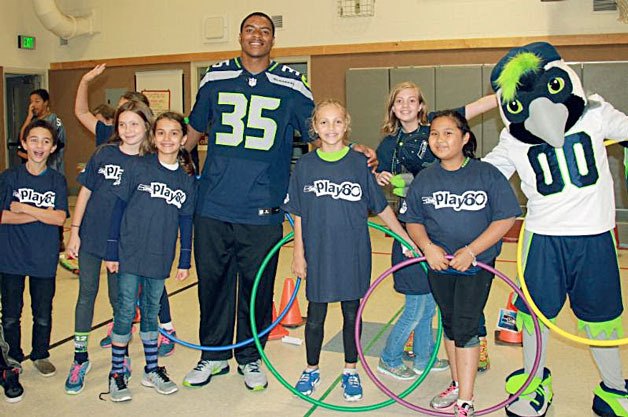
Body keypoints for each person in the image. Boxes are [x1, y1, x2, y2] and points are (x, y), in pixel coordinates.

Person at [183, 11, 375, 392]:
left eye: (265, 31)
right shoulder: (215, 76)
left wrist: (353, 151)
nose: (257, 36)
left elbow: (322, 132)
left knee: (258, 285)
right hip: (214, 203)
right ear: (240, 36)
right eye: (251, 30)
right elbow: (192, 132)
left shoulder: (292, 83)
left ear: (273, 40)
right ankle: (213, 355)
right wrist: (161, 163)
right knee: (213, 284)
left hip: (263, 204)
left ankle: (250, 357)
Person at [484, 42, 628, 417]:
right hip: (543, 239)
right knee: (536, 316)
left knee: (602, 319)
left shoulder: (595, 112)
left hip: (595, 237)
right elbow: (484, 178)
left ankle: (614, 388)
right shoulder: (510, 139)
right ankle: (534, 384)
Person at [283, 99, 418, 401]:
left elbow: (380, 206)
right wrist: (298, 253)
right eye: (324, 122)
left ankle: (350, 370)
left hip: (353, 251)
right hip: (318, 253)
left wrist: (405, 237)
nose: (331, 128)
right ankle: (311, 368)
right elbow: (299, 214)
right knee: (315, 315)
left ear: (347, 125)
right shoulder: (305, 166)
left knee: (351, 313)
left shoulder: (358, 163)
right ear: (314, 127)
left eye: (337, 122)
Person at [402, 111, 520, 417]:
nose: (440, 140)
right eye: (434, 134)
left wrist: (472, 250)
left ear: (465, 138)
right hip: (439, 265)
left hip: (476, 265)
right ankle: (457, 383)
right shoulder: (425, 179)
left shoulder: (486, 174)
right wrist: (427, 247)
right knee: (451, 323)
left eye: (448, 133)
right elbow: (413, 219)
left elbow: (506, 216)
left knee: (466, 325)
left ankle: (465, 399)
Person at [376, 82, 498, 379]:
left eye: (412, 100)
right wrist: (381, 176)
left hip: (447, 224)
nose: (405, 106)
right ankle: (397, 356)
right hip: (416, 227)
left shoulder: (438, 126)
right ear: (392, 108)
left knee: (444, 297)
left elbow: (476, 107)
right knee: (421, 303)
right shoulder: (388, 145)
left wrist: (507, 94)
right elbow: (382, 182)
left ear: (421, 105)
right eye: (399, 101)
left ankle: (436, 354)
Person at [103, 111, 196, 402]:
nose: (167, 138)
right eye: (161, 132)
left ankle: (152, 369)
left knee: (152, 310)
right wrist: (111, 249)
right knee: (126, 309)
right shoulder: (137, 168)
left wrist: (183, 260)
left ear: (183, 139)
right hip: (130, 251)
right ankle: (117, 373)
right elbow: (117, 209)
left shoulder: (186, 181)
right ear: (153, 137)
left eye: (174, 133)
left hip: (160, 254)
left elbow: (186, 222)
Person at [63, 100, 153, 395]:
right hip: (91, 235)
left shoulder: (148, 162)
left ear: (146, 126)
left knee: (121, 301)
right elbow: (86, 193)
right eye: (122, 124)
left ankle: (121, 354)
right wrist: (74, 231)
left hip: (124, 244)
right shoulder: (104, 153)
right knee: (86, 293)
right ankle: (80, 358)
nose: (127, 130)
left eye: (134, 124)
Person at [0, 119, 69, 378]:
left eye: (46, 141)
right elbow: (3, 216)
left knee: (42, 312)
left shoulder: (57, 181)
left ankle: (40, 353)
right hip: (10, 257)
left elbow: (60, 218)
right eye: (34, 140)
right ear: (24, 144)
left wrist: (25, 208)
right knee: (10, 314)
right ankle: (13, 356)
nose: (39, 146)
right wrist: (43, 214)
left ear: (53, 148)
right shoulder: (8, 178)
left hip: (43, 258)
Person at [19, 89, 67, 175]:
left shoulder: (53, 120)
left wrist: (30, 156)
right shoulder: (33, 121)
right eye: (31, 102)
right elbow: (22, 139)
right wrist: (29, 117)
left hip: (51, 168)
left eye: (37, 101)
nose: (33, 105)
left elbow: (57, 146)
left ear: (45, 102)